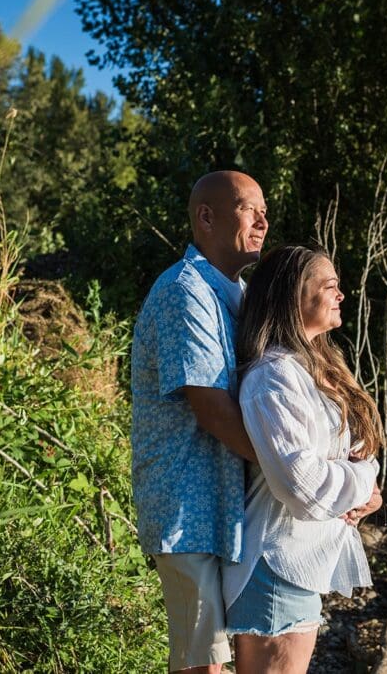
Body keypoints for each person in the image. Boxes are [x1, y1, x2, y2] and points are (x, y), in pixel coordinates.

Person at [130, 171, 269, 673]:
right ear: (206, 217)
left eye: (264, 210)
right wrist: (295, 474)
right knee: (201, 664)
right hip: (188, 505)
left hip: (231, 505)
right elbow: (210, 407)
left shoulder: (241, 294)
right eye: (249, 208)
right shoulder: (185, 291)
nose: (263, 220)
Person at [224, 245, 384, 674]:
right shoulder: (272, 378)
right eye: (330, 285)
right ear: (294, 295)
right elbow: (303, 488)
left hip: (294, 568)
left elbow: (360, 456)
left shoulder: (312, 371)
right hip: (275, 566)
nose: (341, 294)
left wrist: (367, 487)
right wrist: (362, 481)